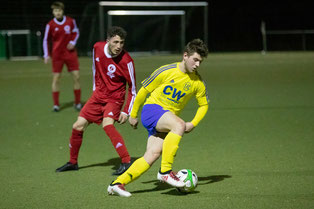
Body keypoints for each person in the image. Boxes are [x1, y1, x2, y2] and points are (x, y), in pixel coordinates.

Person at [107, 39, 209, 197]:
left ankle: (117, 184)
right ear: (185, 55)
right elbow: (143, 91)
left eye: (200, 62)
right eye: (195, 60)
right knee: (179, 125)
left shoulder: (198, 82)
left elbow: (204, 105)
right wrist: (133, 114)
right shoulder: (166, 70)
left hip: (165, 119)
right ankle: (165, 171)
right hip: (152, 110)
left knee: (152, 154)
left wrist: (194, 123)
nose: (197, 65)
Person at [56, 26, 136, 175]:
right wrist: (95, 89)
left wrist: (127, 111)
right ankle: (73, 162)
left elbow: (133, 89)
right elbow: (95, 68)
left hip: (115, 98)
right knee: (78, 126)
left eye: (122, 43)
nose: (119, 46)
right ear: (108, 41)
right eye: (116, 42)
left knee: (107, 126)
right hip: (98, 95)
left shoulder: (127, 61)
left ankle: (126, 161)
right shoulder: (97, 48)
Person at [43, 1, 82, 112]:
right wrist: (46, 54)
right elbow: (46, 40)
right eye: (55, 11)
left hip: (70, 54)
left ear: (62, 11)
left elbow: (76, 33)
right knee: (56, 79)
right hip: (57, 55)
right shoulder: (50, 25)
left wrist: (73, 42)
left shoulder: (71, 21)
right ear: (53, 12)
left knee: (77, 77)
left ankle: (78, 103)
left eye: (59, 10)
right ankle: (56, 105)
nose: (57, 13)